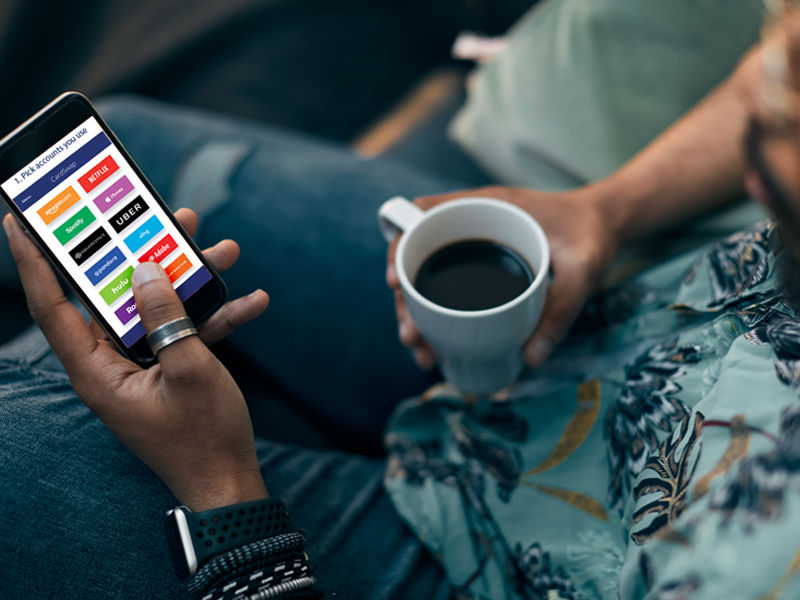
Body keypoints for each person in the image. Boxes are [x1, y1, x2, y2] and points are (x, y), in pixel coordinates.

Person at [4, 5, 800, 600]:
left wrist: (222, 492)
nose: (752, 188)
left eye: (773, 175)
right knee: (133, 144)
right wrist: (609, 209)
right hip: (605, 337)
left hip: (498, 564)